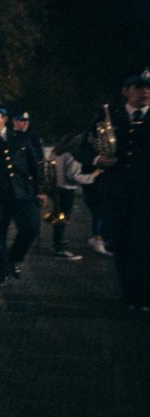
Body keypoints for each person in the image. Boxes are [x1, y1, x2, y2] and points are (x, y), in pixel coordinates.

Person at [75, 68, 150, 312]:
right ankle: (129, 295)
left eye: (148, 89)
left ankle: (142, 296)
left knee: (143, 245)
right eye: (139, 88)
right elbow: (83, 147)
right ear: (126, 91)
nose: (145, 93)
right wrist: (97, 159)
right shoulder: (109, 116)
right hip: (116, 193)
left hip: (146, 194)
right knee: (120, 244)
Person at [0, 103, 44, 284]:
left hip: (23, 192)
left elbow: (34, 165)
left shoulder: (21, 138)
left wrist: (41, 190)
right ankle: (2, 273)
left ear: (4, 119)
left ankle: (14, 258)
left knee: (31, 228)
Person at [49, 135, 100, 259]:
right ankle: (59, 248)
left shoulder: (56, 152)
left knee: (58, 218)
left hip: (56, 188)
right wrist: (93, 175)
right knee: (63, 218)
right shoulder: (73, 155)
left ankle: (57, 242)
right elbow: (73, 176)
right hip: (66, 189)